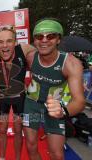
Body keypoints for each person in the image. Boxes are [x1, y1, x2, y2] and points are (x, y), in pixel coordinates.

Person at [23, 19, 85, 160]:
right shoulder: (31, 57)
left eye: (50, 36)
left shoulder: (71, 63)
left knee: (56, 154)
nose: (44, 40)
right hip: (31, 104)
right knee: (31, 145)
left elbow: (80, 101)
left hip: (55, 108)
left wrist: (63, 111)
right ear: (35, 40)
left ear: (58, 39)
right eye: (39, 36)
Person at [0, 25, 35, 160]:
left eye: (9, 41)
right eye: (0, 42)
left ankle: (17, 158)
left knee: (18, 131)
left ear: (15, 42)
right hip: (2, 98)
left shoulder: (24, 49)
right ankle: (2, 157)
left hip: (20, 98)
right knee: (2, 130)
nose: (4, 46)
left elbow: (43, 52)